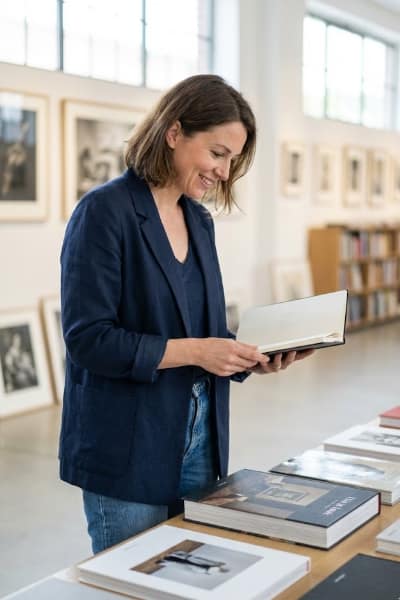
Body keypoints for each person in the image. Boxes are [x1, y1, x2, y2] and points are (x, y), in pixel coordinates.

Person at [59, 74, 314, 555]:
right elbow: (89, 340)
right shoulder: (103, 213)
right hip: (128, 444)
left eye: (232, 160)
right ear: (174, 133)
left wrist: (249, 356)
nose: (224, 171)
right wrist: (201, 350)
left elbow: (204, 332)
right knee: (137, 583)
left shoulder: (197, 219)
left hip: (201, 441)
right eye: (217, 153)